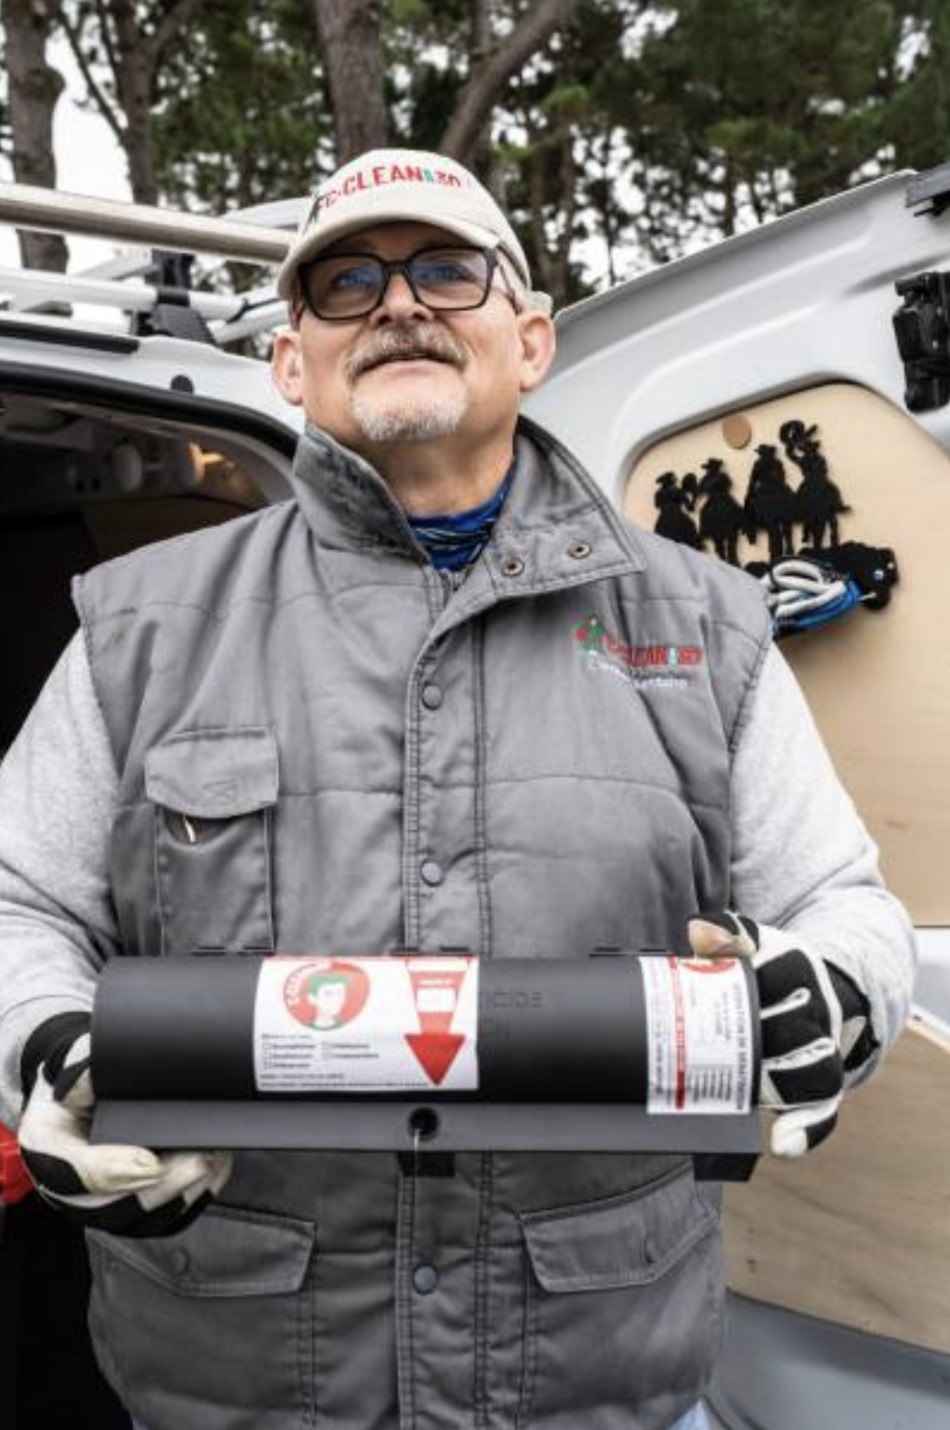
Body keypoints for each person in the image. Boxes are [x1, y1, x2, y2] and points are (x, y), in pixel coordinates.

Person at [0, 147, 915, 1430]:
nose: (396, 304)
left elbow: (842, 904)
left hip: (599, 1378)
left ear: (529, 340)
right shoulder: (139, 627)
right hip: (240, 1377)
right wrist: (43, 1042)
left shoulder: (703, 625)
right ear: (290, 363)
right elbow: (20, 903)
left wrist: (836, 991)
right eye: (344, 283)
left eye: (444, 271)